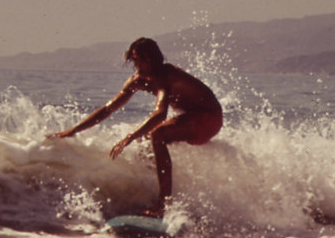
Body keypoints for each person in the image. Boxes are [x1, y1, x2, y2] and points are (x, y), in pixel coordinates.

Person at [49, 37, 222, 217]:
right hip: (192, 118)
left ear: (153, 59)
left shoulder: (165, 75)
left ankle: (163, 205)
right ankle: (151, 194)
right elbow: (108, 109)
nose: (137, 63)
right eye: (135, 59)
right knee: (145, 146)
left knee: (157, 134)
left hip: (209, 118)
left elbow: (160, 113)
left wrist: (130, 136)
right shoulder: (137, 80)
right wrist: (73, 131)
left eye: (141, 59)